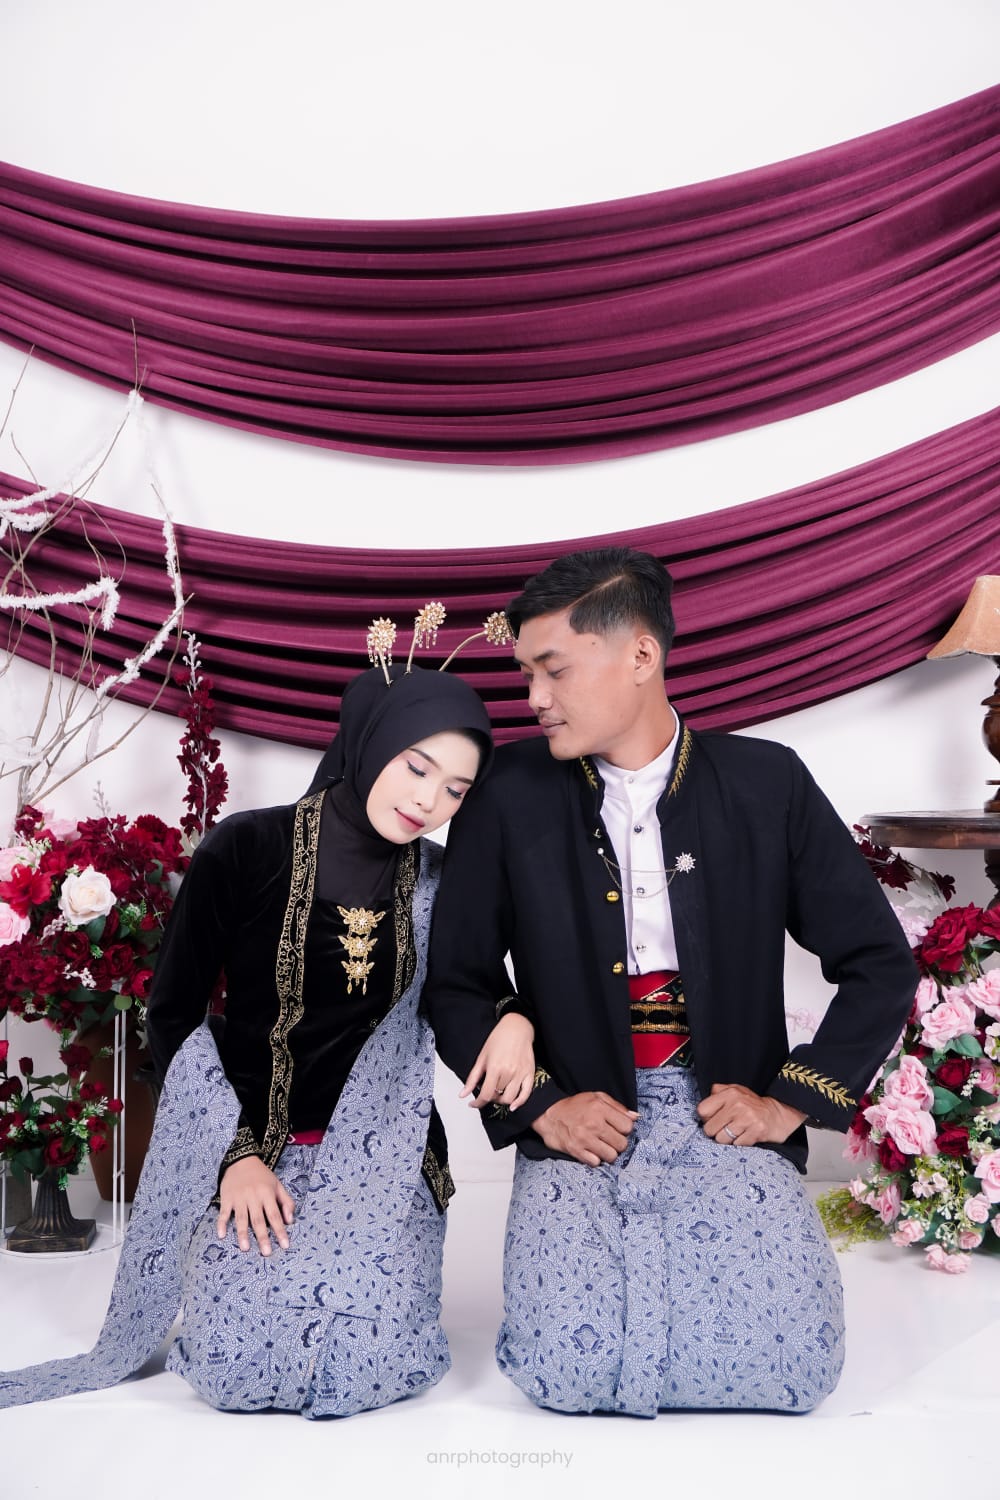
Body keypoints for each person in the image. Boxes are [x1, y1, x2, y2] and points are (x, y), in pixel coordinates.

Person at [425, 547, 918, 1417]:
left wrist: (786, 1102)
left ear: (641, 655)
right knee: (560, 1369)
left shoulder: (767, 783)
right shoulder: (508, 792)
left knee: (796, 1362)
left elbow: (879, 964)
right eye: (527, 673)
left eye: (553, 670)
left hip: (726, 1116)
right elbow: (456, 982)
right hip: (580, 1121)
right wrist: (544, 1108)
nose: (533, 696)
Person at [0, 659, 530, 1416]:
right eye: (418, 768)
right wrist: (235, 1156)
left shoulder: (442, 880)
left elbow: (467, 992)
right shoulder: (247, 848)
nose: (427, 800)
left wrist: (514, 1016)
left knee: (379, 1367)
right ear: (371, 742)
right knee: (234, 1373)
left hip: (385, 1162)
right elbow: (172, 1014)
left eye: (456, 790)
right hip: (253, 1151)